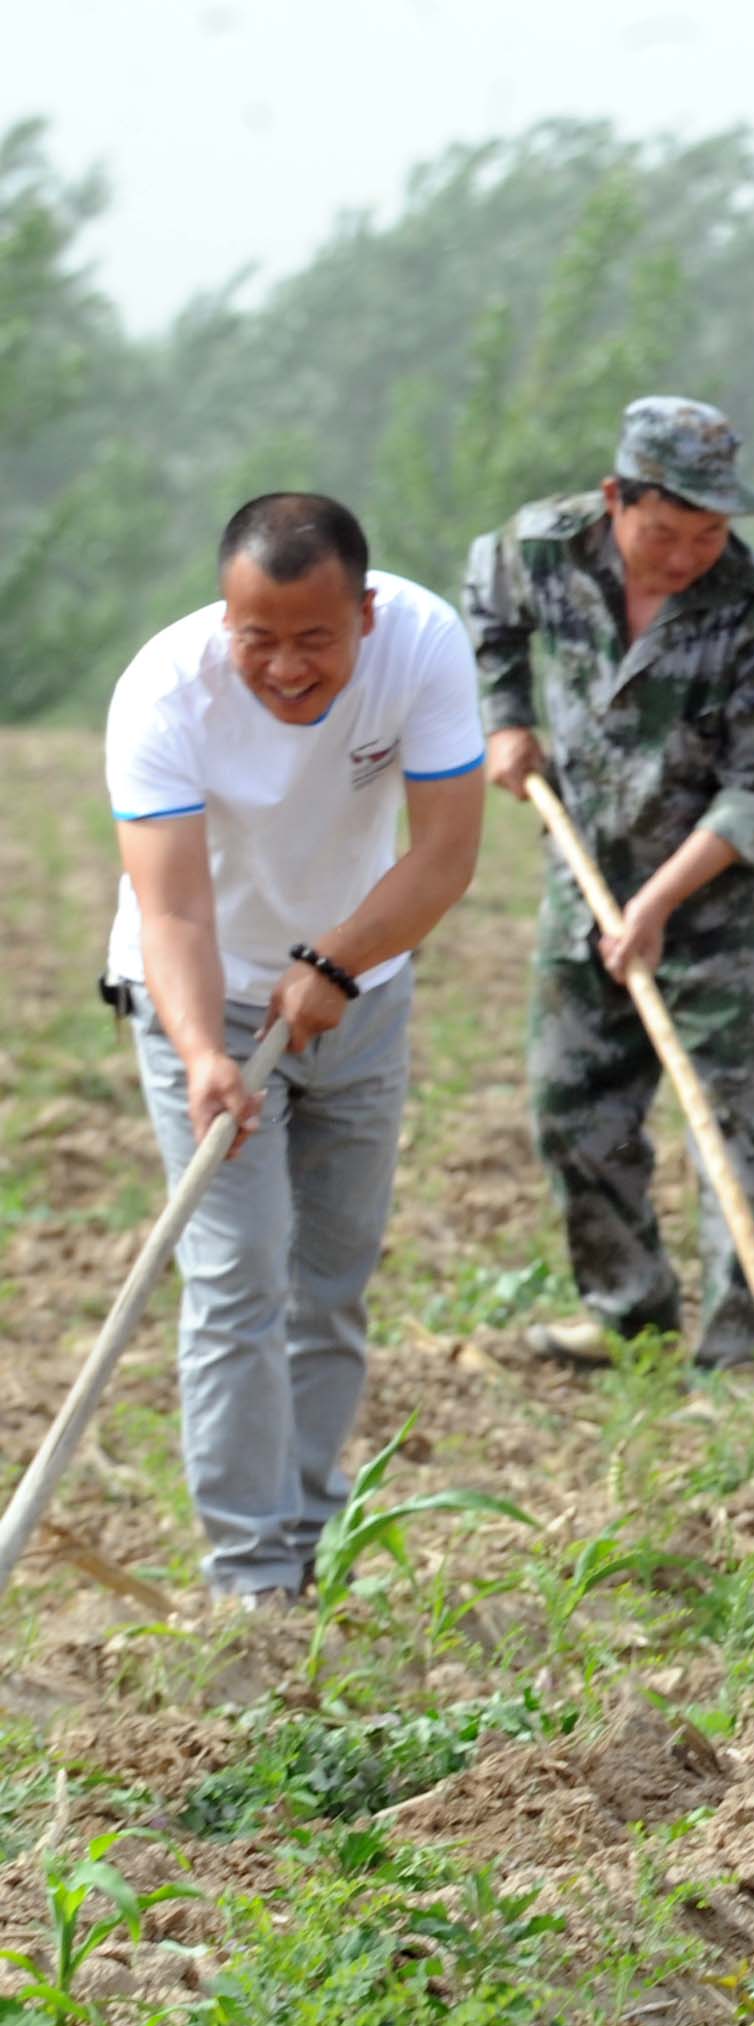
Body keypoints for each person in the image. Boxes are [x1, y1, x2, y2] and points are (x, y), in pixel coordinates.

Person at [102, 494, 486, 1603]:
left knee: (331, 1274)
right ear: (224, 616)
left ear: (363, 614)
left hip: (361, 984)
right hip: (202, 997)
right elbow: (170, 915)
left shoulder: (419, 647)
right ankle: (249, 1578)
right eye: (255, 637)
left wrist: (337, 962)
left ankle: (305, 1541)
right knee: (236, 1274)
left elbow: (447, 853)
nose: (282, 665)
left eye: (313, 638)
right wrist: (202, 1052)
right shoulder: (163, 693)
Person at [465, 396, 754, 1376]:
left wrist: (658, 906)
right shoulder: (543, 547)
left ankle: (741, 1355)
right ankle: (629, 1314)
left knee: (743, 1128)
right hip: (585, 872)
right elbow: (485, 606)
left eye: (710, 533)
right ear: (617, 498)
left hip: (714, 896)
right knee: (572, 1103)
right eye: (666, 531)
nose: (687, 554)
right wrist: (506, 717)